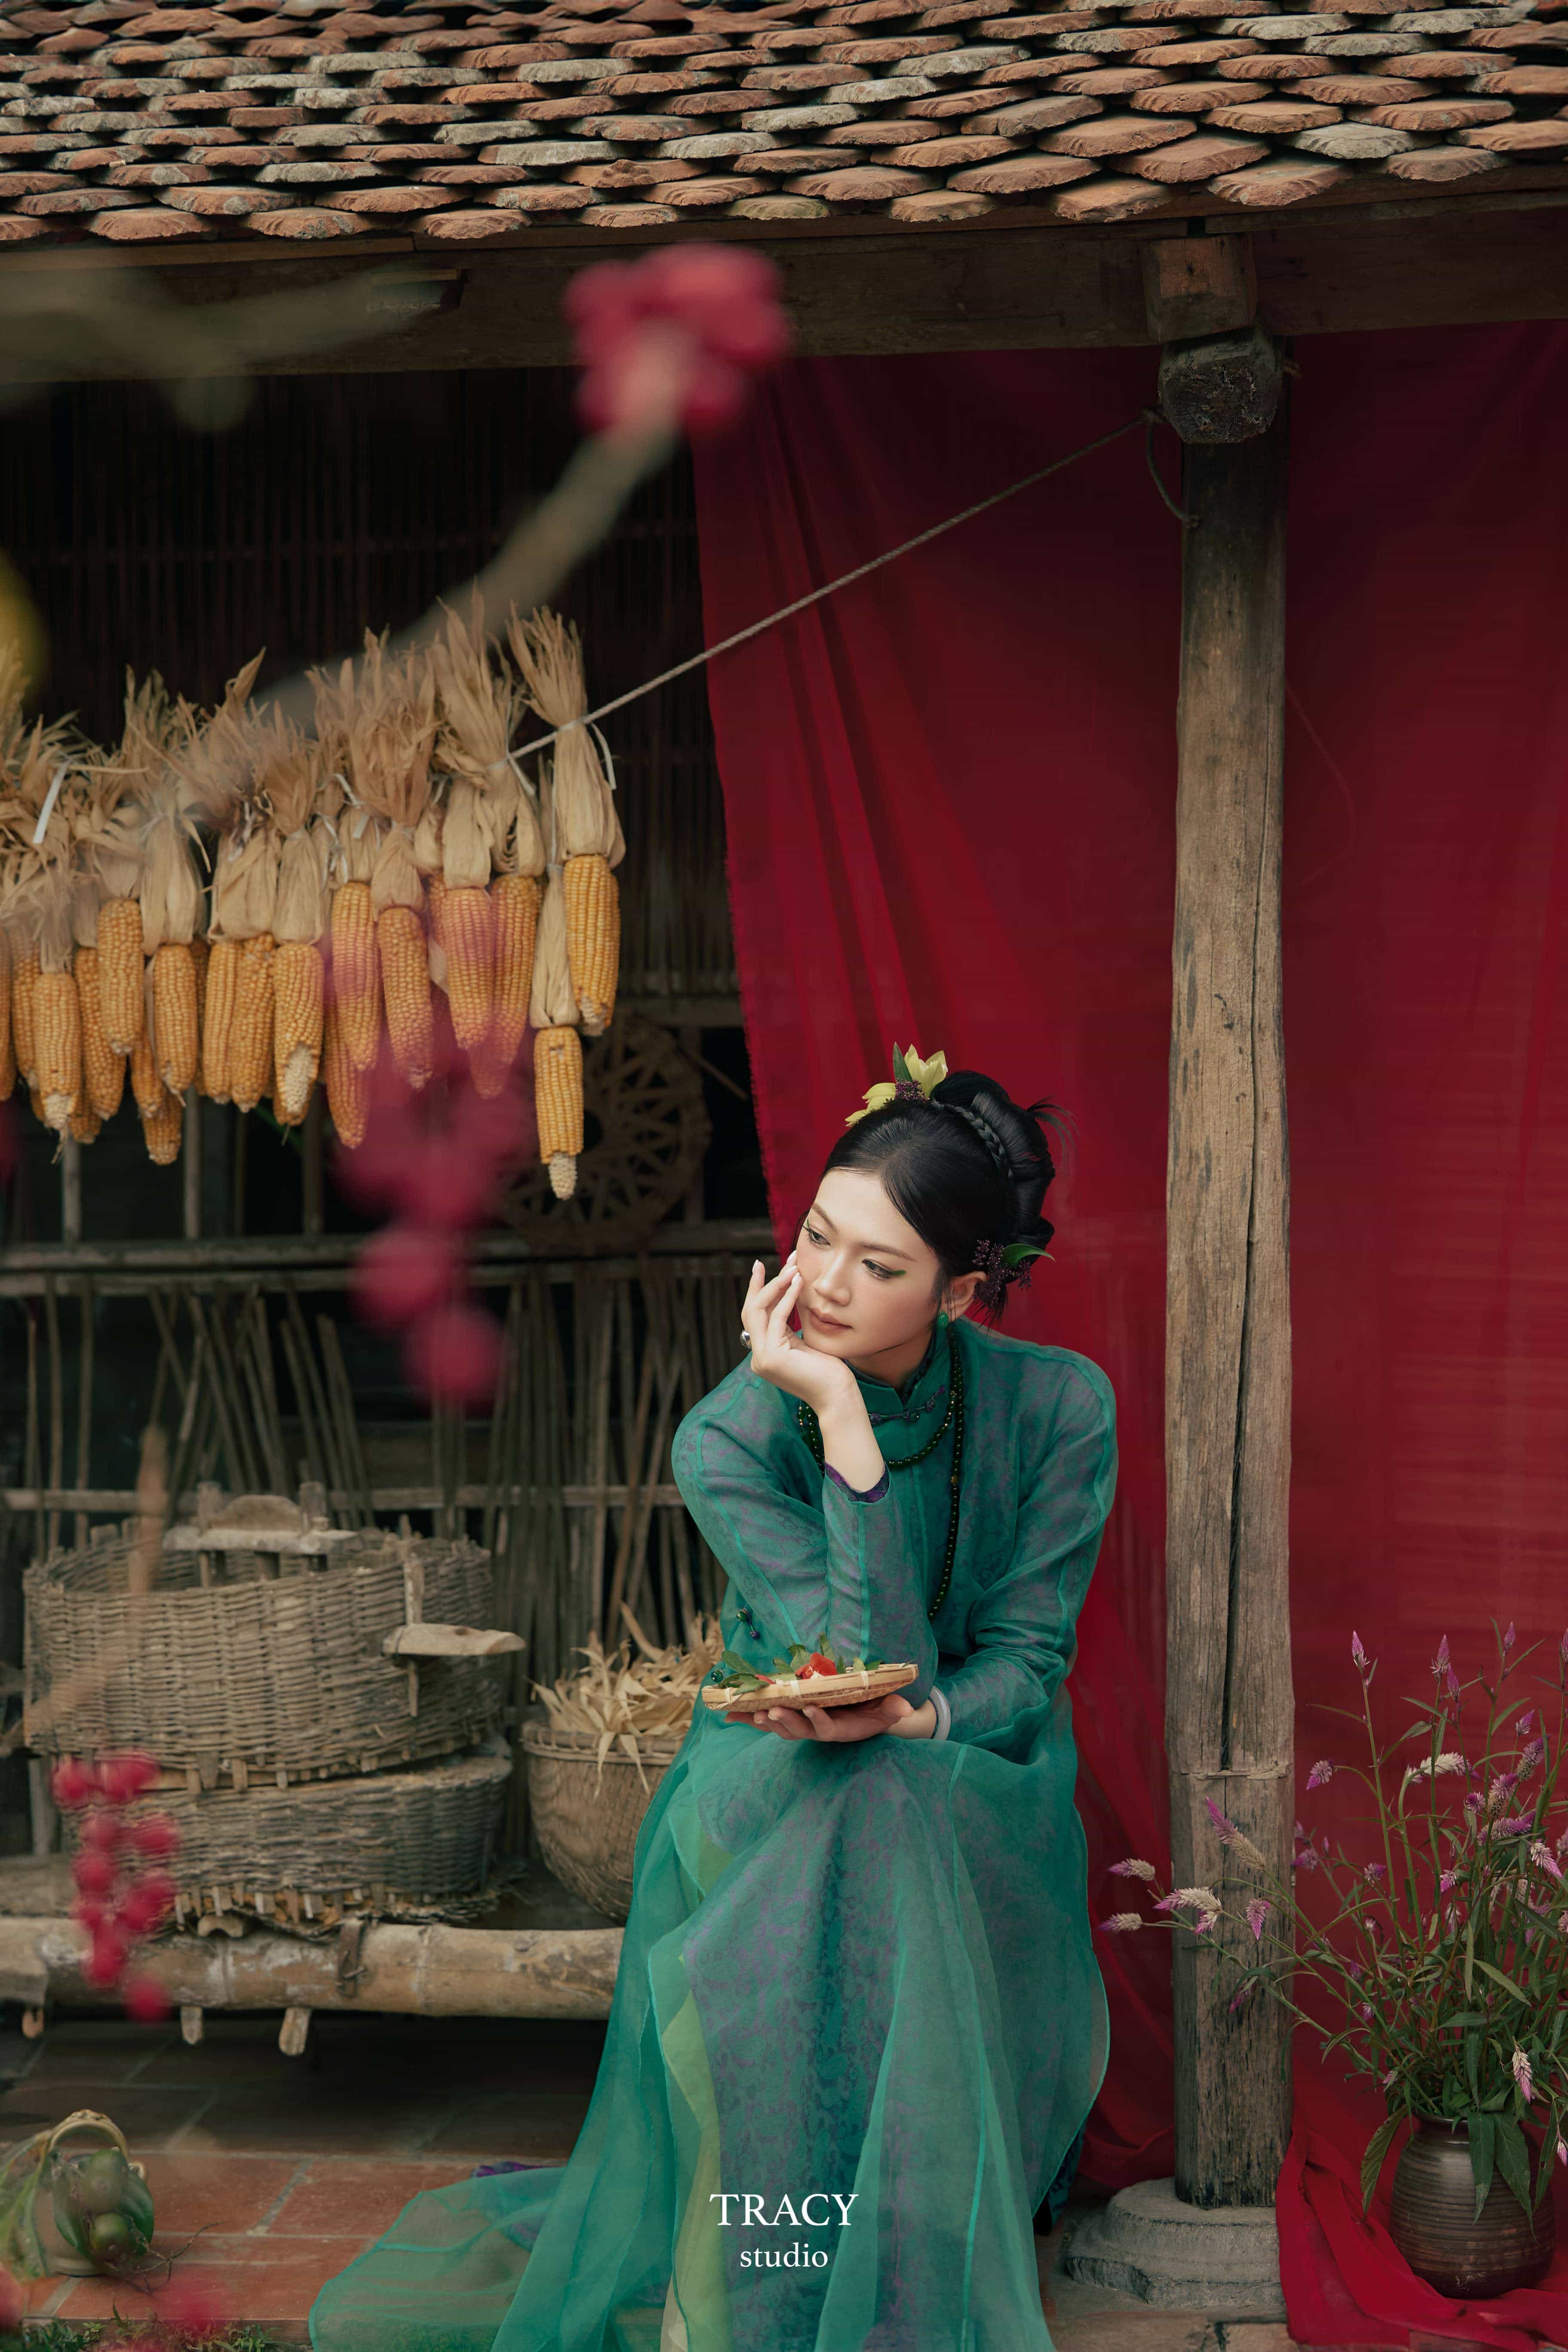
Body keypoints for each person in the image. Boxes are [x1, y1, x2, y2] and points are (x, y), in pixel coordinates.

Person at [308, 1046, 1116, 2352]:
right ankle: (753, 2275)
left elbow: (1019, 1660)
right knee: (862, 1803)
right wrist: (836, 1414)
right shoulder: (731, 1435)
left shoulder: (1061, 1405)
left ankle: (766, 2272)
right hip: (770, 1763)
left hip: (981, 1755)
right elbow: (847, 1659)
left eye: (880, 1265)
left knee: (889, 1792)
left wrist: (924, 1724)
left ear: (963, 1294)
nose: (826, 1285)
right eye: (817, 1236)